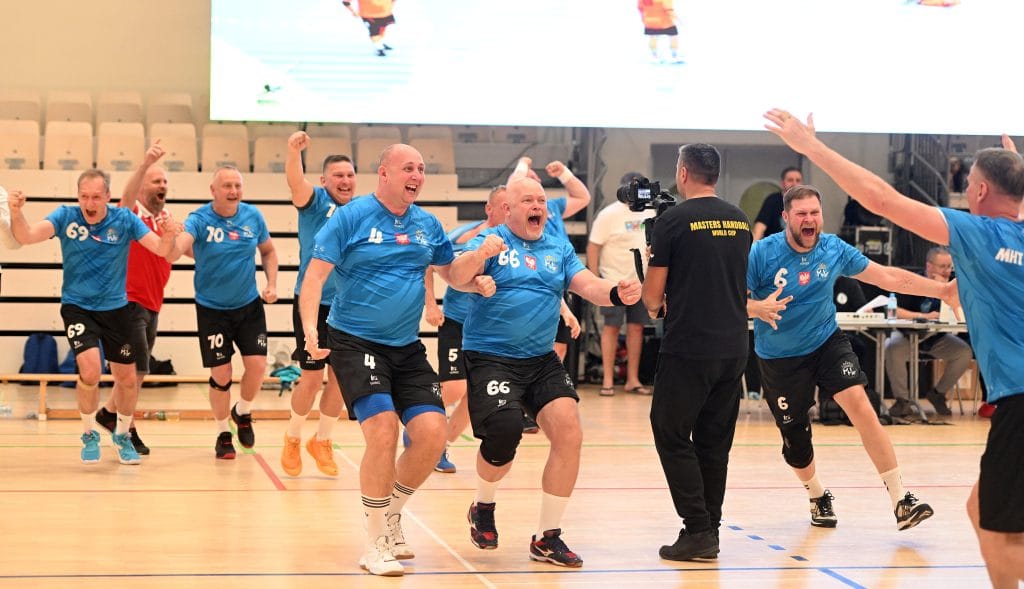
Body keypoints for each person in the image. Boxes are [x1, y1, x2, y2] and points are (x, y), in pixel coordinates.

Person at [766, 110, 1024, 587]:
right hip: (781, 354)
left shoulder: (978, 232)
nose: (967, 188)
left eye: (970, 181)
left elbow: (881, 199)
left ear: (981, 191)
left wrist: (811, 147)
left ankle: (903, 499)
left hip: (1019, 400)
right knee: (981, 509)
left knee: (995, 529)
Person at [299, 143, 493, 577]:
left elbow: (451, 274)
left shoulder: (427, 224)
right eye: (409, 168)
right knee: (383, 431)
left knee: (433, 434)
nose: (417, 176)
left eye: (421, 169)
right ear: (384, 173)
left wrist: (475, 271)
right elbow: (314, 278)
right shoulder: (350, 217)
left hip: (405, 347)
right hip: (355, 342)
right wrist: (311, 329)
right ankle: (374, 543)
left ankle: (390, 514)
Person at [450, 176, 642, 568]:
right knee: (504, 433)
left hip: (540, 360)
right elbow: (454, 275)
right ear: (508, 209)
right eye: (528, 201)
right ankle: (483, 506)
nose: (538, 206)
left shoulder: (557, 247)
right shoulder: (492, 240)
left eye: (541, 200)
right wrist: (480, 255)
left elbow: (587, 285)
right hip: (491, 356)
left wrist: (616, 292)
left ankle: (547, 537)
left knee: (569, 433)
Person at [747, 182, 953, 532]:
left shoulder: (833, 248)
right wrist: (756, 307)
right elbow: (727, 296)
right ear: (786, 218)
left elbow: (886, 276)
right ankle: (816, 494)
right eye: (801, 214)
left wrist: (943, 290)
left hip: (826, 342)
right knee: (796, 441)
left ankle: (901, 499)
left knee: (860, 403)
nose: (809, 219)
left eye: (815, 212)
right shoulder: (761, 253)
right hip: (780, 357)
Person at [640, 143, 762, 561]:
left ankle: (697, 528)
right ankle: (709, 529)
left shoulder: (672, 221)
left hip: (689, 346)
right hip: (734, 345)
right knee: (714, 442)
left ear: (683, 173)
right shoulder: (740, 219)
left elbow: (652, 300)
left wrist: (653, 267)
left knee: (670, 432)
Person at [7, 170, 178, 464]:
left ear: (108, 197)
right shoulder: (66, 216)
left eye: (96, 197)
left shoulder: (124, 219)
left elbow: (162, 251)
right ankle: (88, 434)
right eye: (84, 196)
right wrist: (15, 212)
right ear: (78, 196)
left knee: (127, 379)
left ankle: (122, 435)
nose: (89, 203)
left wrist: (170, 233)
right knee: (90, 371)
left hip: (116, 309)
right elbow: (26, 235)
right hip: (78, 307)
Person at [170, 166, 278, 460]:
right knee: (222, 374)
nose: (233, 191)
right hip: (212, 310)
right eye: (227, 186)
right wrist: (171, 237)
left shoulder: (253, 216)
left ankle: (242, 411)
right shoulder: (199, 219)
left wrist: (271, 284)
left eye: (237, 186)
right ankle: (222, 433)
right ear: (213, 190)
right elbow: (176, 251)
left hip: (248, 305)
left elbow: (268, 251)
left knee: (257, 365)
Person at [280, 131, 356, 477]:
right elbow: (295, 182)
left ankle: (322, 440)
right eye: (338, 175)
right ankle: (293, 437)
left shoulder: (360, 211)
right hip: (312, 303)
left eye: (350, 174)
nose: (345, 180)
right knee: (311, 378)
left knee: (340, 379)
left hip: (347, 307)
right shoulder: (314, 202)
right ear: (325, 180)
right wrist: (293, 151)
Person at [423, 185, 510, 473]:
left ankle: (440, 447)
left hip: (490, 329)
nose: (509, 212)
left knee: (476, 393)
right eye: (504, 206)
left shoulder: (518, 241)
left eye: (512, 207)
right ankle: (418, 424)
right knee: (454, 386)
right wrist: (431, 304)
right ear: (489, 209)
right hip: (457, 321)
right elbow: (430, 265)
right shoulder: (465, 236)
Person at [93, 140, 171, 456]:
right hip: (128, 301)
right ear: (142, 187)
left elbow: (176, 252)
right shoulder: (132, 213)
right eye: (156, 181)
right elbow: (125, 200)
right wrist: (144, 164)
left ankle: (109, 413)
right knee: (135, 370)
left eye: (164, 181)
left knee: (137, 371)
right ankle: (127, 429)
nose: (162, 185)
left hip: (153, 302)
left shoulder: (164, 217)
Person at [587, 171, 655, 396]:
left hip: (641, 281)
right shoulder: (608, 214)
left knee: (637, 328)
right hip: (613, 281)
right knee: (612, 327)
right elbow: (593, 247)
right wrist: (595, 280)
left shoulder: (650, 211)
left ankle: (632, 379)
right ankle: (607, 380)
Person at [885, 246, 972, 418]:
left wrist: (943, 289)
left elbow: (962, 311)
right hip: (907, 336)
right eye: (942, 266)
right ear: (929, 266)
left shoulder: (953, 284)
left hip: (936, 338)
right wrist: (923, 316)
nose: (947, 271)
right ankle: (902, 400)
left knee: (964, 352)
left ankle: (938, 394)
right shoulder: (911, 280)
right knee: (892, 347)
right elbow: (894, 310)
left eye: (949, 267)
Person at [752, 166, 803, 241]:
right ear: (782, 183)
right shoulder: (772, 200)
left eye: (798, 180)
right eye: (790, 180)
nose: (794, 184)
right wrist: (753, 245)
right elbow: (760, 227)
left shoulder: (806, 203)